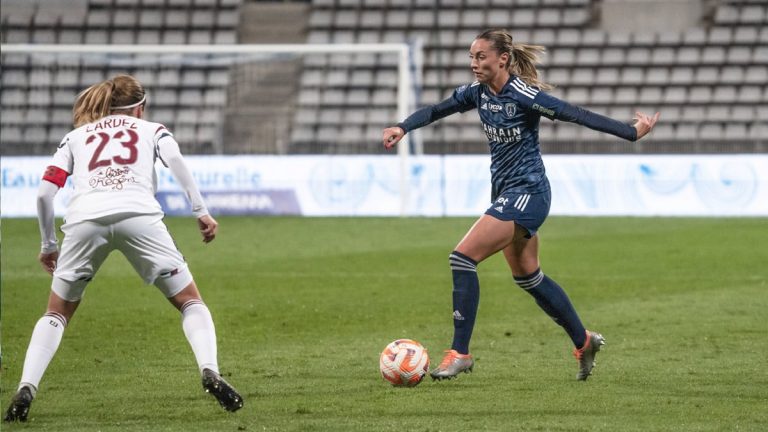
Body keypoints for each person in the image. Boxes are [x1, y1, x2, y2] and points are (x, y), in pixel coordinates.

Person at [382, 29, 659, 382]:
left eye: (481, 56)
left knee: (462, 257)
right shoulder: (476, 94)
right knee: (528, 276)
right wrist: (403, 127)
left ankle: (459, 353)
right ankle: (584, 340)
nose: (474, 64)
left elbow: (574, 114)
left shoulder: (524, 95)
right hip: (506, 192)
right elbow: (438, 109)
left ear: (502, 59)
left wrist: (630, 132)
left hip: (529, 193)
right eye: (471, 57)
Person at [4, 74, 244, 422]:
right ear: (140, 107)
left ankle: (27, 385)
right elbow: (175, 159)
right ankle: (210, 370)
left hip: (85, 220)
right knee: (191, 302)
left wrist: (48, 244)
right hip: (139, 216)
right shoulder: (152, 130)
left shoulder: (75, 136)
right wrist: (200, 210)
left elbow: (44, 193)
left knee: (56, 314)